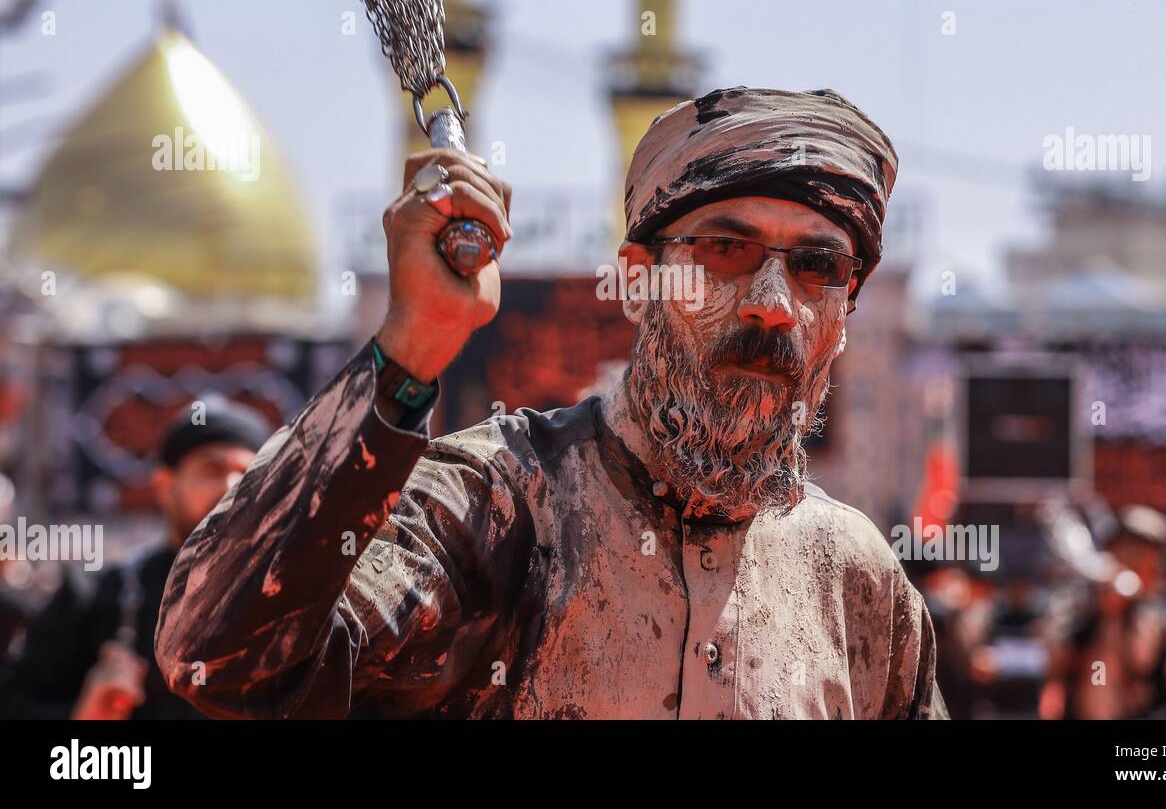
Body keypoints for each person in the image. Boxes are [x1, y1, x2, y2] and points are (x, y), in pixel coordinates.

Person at [156, 86, 949, 720]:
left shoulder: (855, 581)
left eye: (819, 268)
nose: (773, 305)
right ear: (637, 281)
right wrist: (409, 348)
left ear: (845, 319)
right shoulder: (497, 505)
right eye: (727, 250)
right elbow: (217, 659)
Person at [0, 396, 271, 719]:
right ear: (164, 486)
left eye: (246, 472)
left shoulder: (295, 599)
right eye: (211, 470)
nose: (230, 487)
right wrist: (84, 715)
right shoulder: (96, 596)